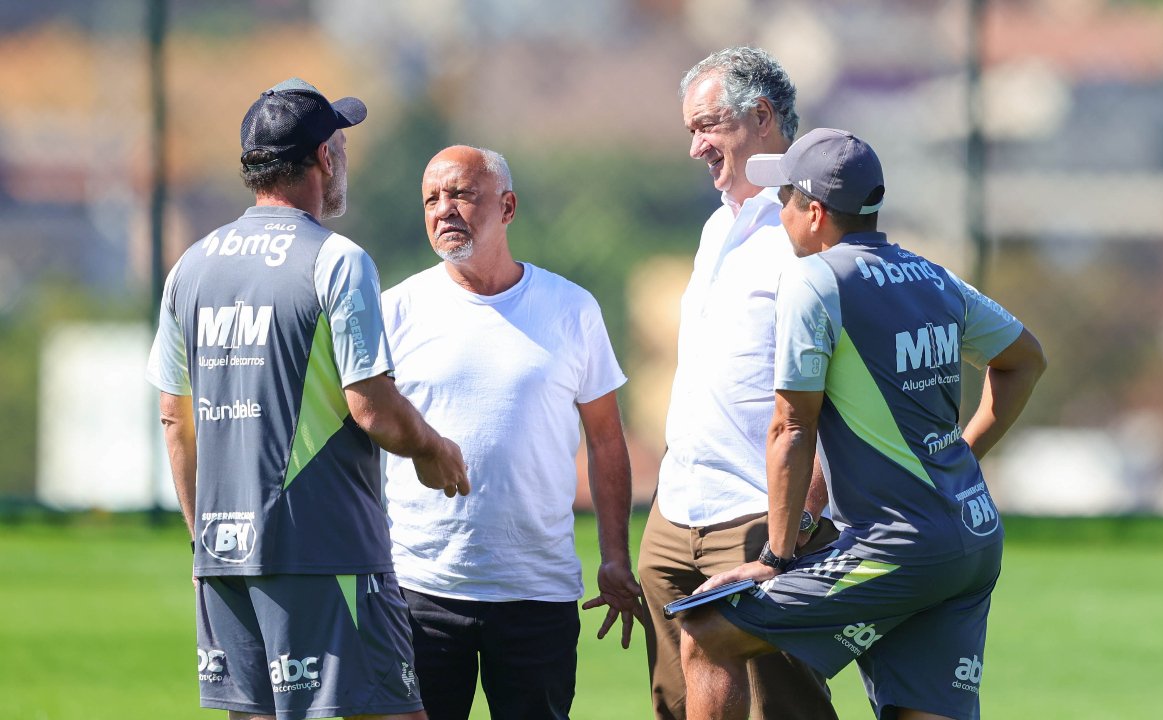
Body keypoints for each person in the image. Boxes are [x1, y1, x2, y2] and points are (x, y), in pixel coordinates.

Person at [679, 128, 1048, 720]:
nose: (779, 209)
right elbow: (1024, 359)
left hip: (897, 547)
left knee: (707, 633)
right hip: (973, 535)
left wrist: (776, 558)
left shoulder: (813, 281)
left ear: (816, 214)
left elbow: (791, 428)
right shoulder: (933, 276)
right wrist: (960, 458)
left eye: (786, 198)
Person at [146, 78, 469, 720]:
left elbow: (173, 418)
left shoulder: (191, 265)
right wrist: (433, 449)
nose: (344, 155)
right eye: (340, 143)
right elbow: (370, 405)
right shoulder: (337, 260)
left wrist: (205, 544)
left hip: (223, 557)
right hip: (328, 554)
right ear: (324, 157)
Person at [379, 145, 643, 720]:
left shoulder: (572, 308)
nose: (444, 210)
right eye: (431, 199)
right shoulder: (394, 310)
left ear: (508, 207)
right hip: (419, 589)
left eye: (461, 195)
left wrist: (615, 558)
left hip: (537, 592)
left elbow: (606, 442)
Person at [637, 46, 839, 720]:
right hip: (676, 519)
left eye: (707, 126)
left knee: (785, 709)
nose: (695, 146)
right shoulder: (717, 226)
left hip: (759, 520)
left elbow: (833, 391)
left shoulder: (809, 230)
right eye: (690, 129)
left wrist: (799, 522)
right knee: (677, 706)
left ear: (760, 117)